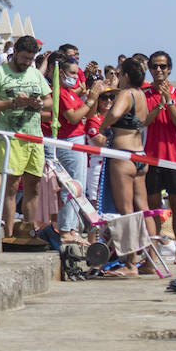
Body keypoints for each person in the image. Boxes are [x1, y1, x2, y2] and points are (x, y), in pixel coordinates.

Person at [0, 36, 50, 239]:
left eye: (31, 59)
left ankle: (28, 233)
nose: (27, 62)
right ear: (14, 52)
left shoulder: (35, 74)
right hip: (10, 138)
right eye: (24, 58)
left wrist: (39, 105)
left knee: (33, 186)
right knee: (11, 186)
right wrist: (13, 103)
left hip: (35, 137)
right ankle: (9, 234)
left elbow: (49, 101)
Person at [41, 50, 104, 243]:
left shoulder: (70, 93)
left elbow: (88, 114)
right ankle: (66, 230)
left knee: (77, 187)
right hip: (69, 142)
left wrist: (93, 97)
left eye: (77, 73)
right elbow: (73, 117)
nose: (77, 77)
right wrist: (91, 100)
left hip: (77, 140)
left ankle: (70, 228)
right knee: (73, 186)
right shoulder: (60, 93)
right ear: (61, 74)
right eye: (73, 74)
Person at [142, 50, 176, 265]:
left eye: (163, 66)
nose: (159, 70)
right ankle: (154, 250)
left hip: (174, 158)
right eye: (154, 66)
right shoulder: (143, 95)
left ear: (169, 69)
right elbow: (144, 121)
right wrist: (160, 104)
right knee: (153, 204)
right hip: (151, 157)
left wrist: (169, 101)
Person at [102, 57, 149, 274]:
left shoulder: (126, 93)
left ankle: (131, 264)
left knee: (126, 211)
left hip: (123, 154)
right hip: (140, 153)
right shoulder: (142, 96)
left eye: (119, 75)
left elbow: (114, 114)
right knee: (143, 209)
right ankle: (149, 259)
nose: (117, 79)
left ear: (127, 76)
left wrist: (104, 124)